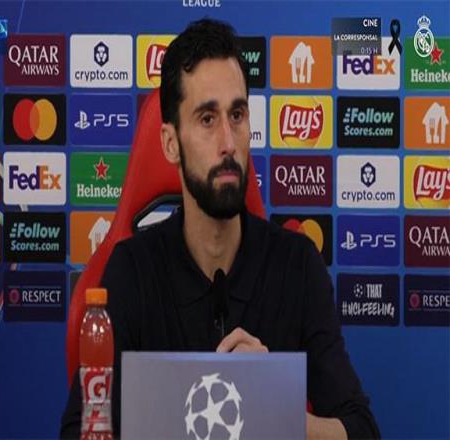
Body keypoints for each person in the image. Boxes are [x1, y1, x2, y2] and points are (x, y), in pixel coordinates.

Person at [61, 18, 380, 439]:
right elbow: (79, 430)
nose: (228, 142)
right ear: (170, 143)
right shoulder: (131, 270)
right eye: (207, 119)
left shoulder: (298, 266)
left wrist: (276, 404)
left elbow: (361, 430)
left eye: (237, 114)